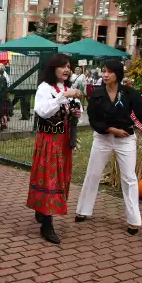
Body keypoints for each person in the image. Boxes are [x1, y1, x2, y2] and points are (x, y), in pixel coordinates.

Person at [76, 60, 142, 235]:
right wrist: (110, 129)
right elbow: (94, 119)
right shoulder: (97, 94)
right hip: (103, 138)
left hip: (125, 140)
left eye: (109, 72)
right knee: (93, 173)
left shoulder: (130, 93)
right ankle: (82, 210)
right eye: (104, 72)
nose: (105, 75)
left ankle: (134, 220)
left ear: (118, 74)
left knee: (130, 178)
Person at [26, 54, 82, 245]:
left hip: (63, 140)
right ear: (53, 68)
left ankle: (43, 210)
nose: (67, 70)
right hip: (49, 140)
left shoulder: (66, 88)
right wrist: (62, 97)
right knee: (50, 178)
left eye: (69, 66)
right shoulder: (45, 88)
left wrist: (76, 111)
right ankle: (47, 224)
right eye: (62, 66)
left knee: (60, 177)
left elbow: (75, 113)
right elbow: (42, 111)